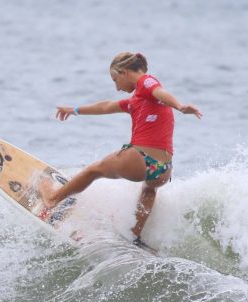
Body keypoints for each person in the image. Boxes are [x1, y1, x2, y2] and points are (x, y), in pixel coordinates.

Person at [39, 52, 202, 246]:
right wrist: (74, 110)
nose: (117, 87)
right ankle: (135, 236)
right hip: (163, 170)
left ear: (124, 72)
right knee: (148, 191)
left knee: (94, 169)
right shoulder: (138, 100)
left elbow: (159, 91)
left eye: (115, 80)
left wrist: (180, 107)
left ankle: (52, 199)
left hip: (141, 158)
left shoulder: (146, 82)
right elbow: (106, 106)